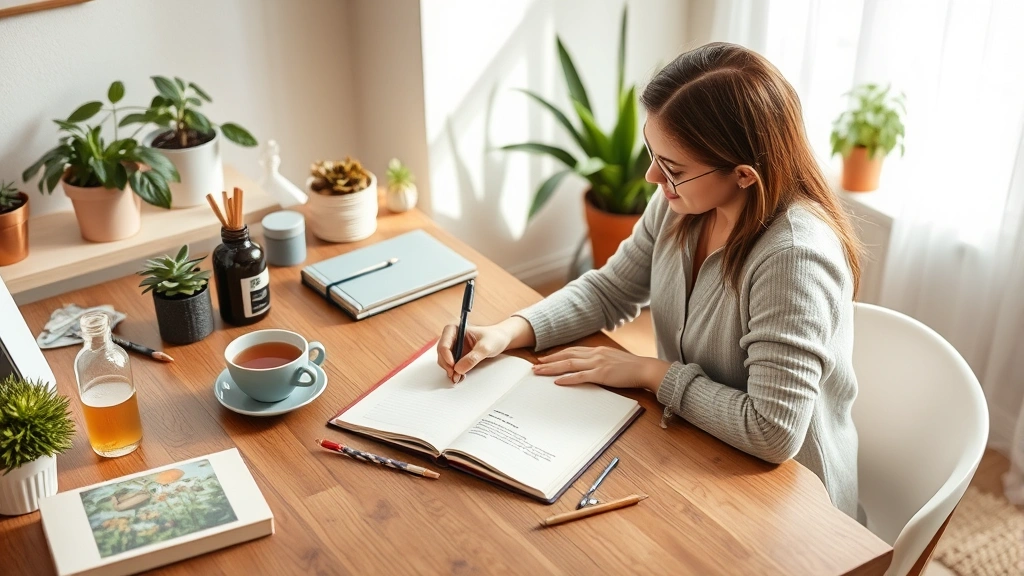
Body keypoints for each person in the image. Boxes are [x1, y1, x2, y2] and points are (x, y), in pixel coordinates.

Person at [436, 42, 862, 518]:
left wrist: (649, 372)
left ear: (743, 175)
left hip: (794, 505)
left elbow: (773, 430)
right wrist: (505, 332)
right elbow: (610, 289)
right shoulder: (682, 203)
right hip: (694, 446)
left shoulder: (793, 259)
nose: (652, 175)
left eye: (673, 169)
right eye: (654, 153)